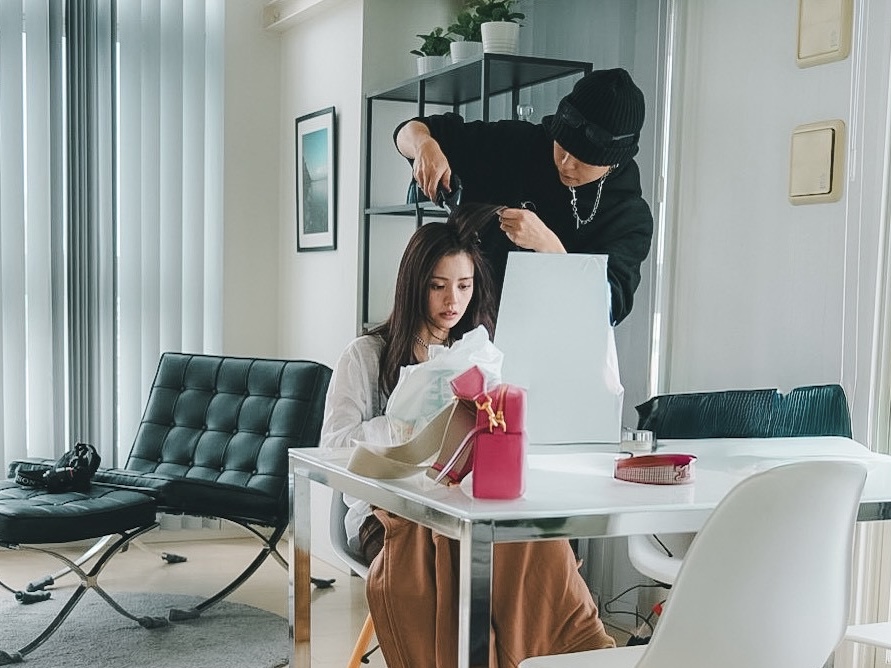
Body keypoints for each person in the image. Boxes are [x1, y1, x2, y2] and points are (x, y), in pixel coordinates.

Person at [320, 204, 615, 668]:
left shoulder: (478, 351)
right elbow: (333, 448)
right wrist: (408, 423)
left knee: (536, 538)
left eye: (464, 285)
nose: (452, 301)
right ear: (413, 285)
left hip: (467, 501)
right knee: (451, 553)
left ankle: (564, 658)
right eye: (437, 286)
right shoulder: (366, 355)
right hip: (388, 512)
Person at [394, 67, 653, 325]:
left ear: (612, 162)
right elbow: (408, 132)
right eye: (562, 146)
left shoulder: (629, 216)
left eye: (583, 159)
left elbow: (607, 309)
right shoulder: (519, 144)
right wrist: (424, 145)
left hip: (548, 340)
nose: (565, 163)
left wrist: (549, 248)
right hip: (466, 329)